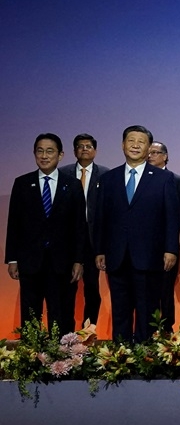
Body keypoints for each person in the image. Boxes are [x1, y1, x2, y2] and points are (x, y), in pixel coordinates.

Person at [95, 126, 180, 342]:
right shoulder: (108, 179)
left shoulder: (163, 179)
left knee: (147, 310)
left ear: (148, 147)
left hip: (149, 256)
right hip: (116, 256)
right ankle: (120, 357)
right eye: (130, 140)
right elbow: (100, 218)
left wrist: (170, 249)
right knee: (120, 310)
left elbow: (172, 217)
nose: (135, 145)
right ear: (122, 145)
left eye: (140, 142)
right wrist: (100, 250)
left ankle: (145, 359)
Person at [6, 133, 87, 333]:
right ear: (34, 154)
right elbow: (14, 223)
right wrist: (12, 259)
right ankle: (31, 359)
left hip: (63, 263)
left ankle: (62, 360)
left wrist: (79, 260)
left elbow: (79, 225)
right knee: (30, 314)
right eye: (40, 151)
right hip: (30, 262)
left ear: (60, 155)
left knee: (61, 314)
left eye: (49, 151)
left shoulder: (73, 184)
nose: (44, 155)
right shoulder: (22, 183)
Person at [58, 133, 109, 329]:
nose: (84, 149)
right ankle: (66, 333)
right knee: (66, 288)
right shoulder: (63, 173)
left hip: (93, 242)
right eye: (80, 146)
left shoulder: (105, 175)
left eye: (88, 146)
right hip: (67, 242)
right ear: (74, 151)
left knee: (92, 288)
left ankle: (89, 330)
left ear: (95, 151)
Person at [146, 141, 180, 331]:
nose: (151, 156)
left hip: (166, 245)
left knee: (165, 290)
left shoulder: (175, 179)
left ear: (165, 156)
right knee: (146, 291)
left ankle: (166, 330)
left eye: (155, 153)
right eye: (149, 153)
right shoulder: (142, 179)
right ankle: (147, 329)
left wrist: (167, 237)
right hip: (144, 247)